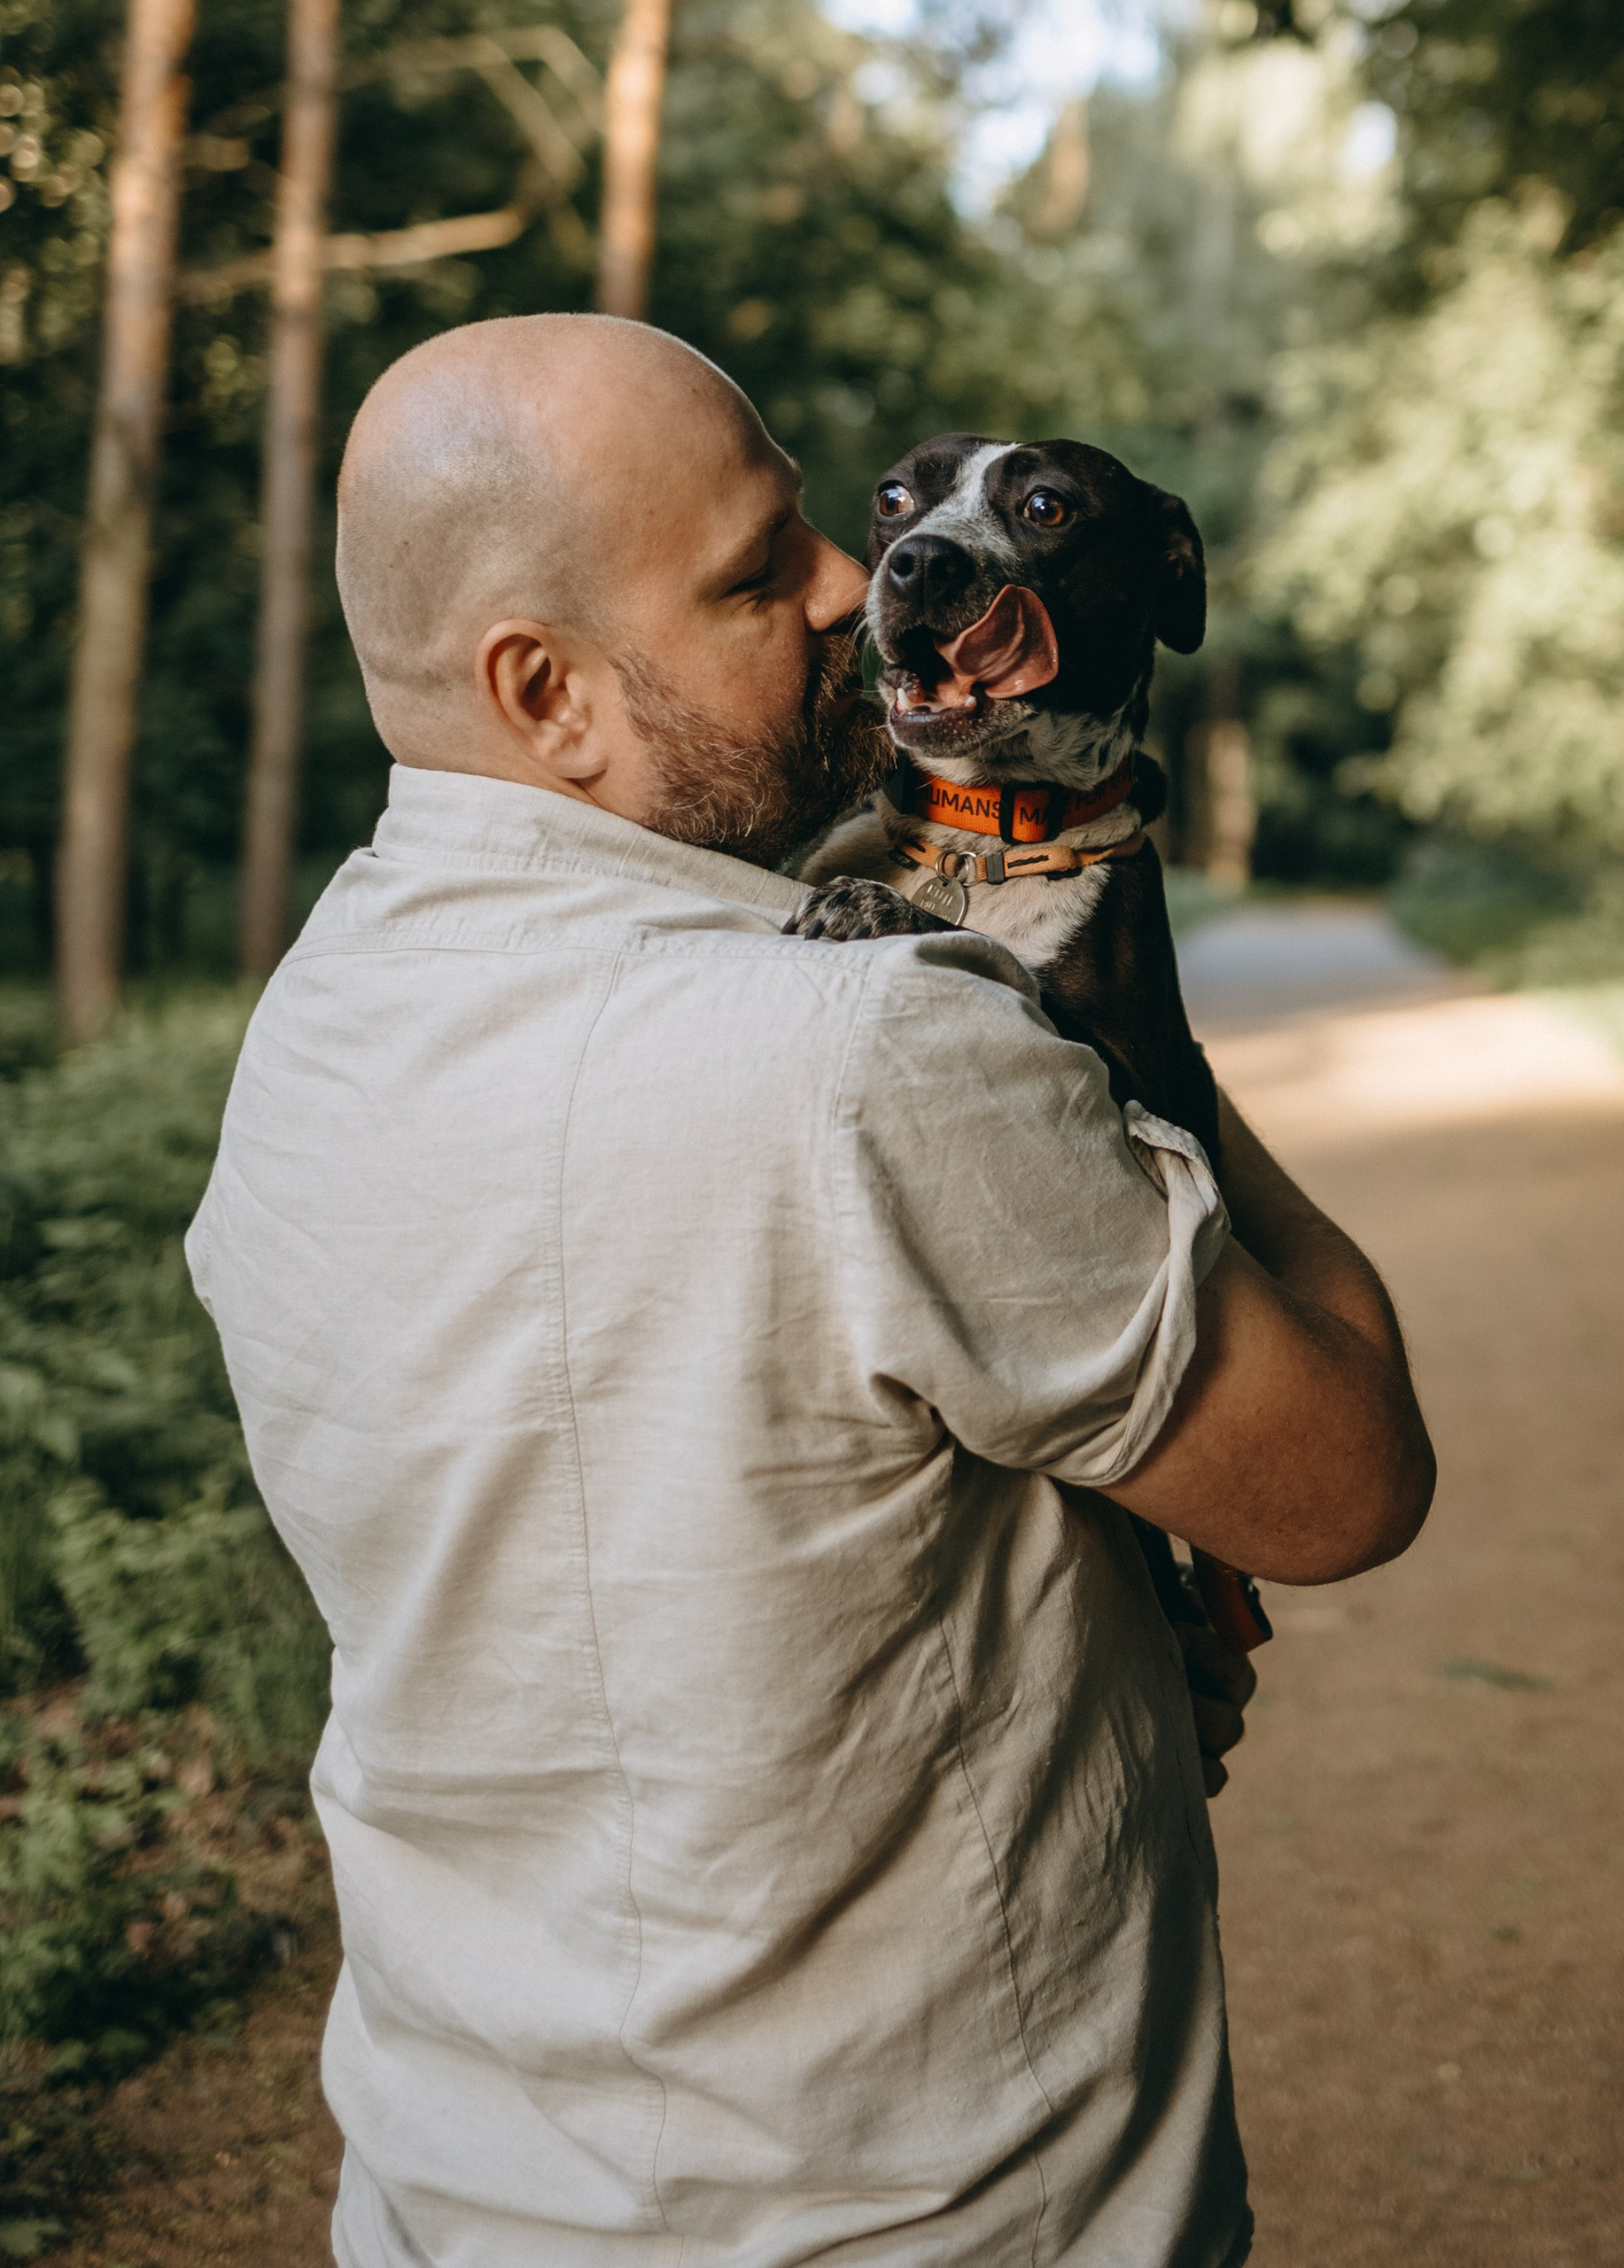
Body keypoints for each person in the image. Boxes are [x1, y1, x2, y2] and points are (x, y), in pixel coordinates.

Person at [190, 315, 1434, 2268]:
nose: (859, 590)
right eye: (761, 572)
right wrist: (1126, 1052)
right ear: (552, 693)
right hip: (925, 2208)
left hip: (457, 2195)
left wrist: (1090, 1627)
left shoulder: (305, 1038)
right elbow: (1344, 1478)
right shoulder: (875, 1062)